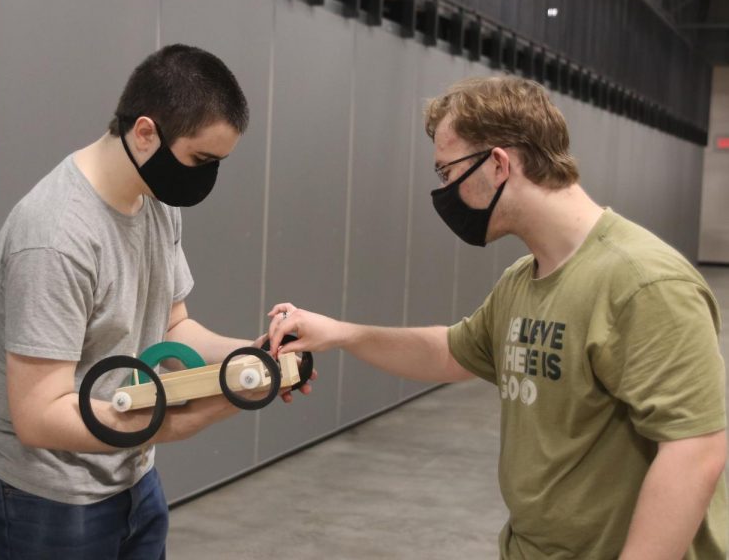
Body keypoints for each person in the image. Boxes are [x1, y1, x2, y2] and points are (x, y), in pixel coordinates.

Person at [266, 76, 728, 559]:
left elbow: (694, 451)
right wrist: (342, 334)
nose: (444, 191)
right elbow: (450, 353)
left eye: (447, 173)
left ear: (499, 163)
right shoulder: (521, 280)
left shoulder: (644, 283)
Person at [0, 44, 308, 560]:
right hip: (38, 497)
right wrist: (203, 410)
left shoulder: (155, 201)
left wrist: (254, 358)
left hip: (130, 479)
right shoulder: (56, 236)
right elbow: (38, 416)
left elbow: (172, 326)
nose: (206, 176)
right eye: (201, 160)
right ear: (145, 133)